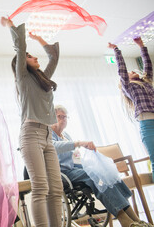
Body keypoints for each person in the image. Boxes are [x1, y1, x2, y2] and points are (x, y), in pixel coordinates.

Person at [1, 17, 63, 227]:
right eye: (29, 56)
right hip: (30, 134)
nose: (34, 57)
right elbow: (20, 49)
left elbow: (53, 57)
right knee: (41, 187)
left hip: (47, 136)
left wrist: (39, 38)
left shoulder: (42, 79)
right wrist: (11, 27)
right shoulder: (23, 79)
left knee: (56, 188)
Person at [51, 105, 152, 227]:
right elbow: (55, 147)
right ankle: (124, 220)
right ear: (52, 117)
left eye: (65, 117)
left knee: (105, 173)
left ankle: (135, 219)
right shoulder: (48, 134)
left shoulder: (66, 135)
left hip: (74, 168)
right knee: (95, 176)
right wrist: (79, 143)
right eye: (59, 117)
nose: (63, 120)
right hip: (63, 173)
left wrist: (91, 164)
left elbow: (75, 157)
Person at [108, 37, 154, 180]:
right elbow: (122, 71)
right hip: (147, 126)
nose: (133, 71)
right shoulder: (129, 87)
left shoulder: (147, 82)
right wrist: (116, 50)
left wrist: (142, 46)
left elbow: (148, 66)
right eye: (130, 72)